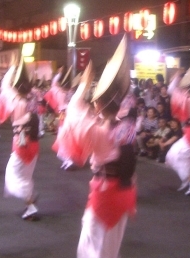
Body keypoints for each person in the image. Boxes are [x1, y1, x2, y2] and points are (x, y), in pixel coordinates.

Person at [56, 35, 137, 258]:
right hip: (123, 191)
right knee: (108, 246)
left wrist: (83, 86)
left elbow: (74, 114)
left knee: (92, 247)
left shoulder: (99, 130)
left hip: (105, 193)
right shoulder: (128, 127)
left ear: (99, 103)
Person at [0, 54, 40, 220]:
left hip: (21, 142)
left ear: (16, 87)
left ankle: (30, 201)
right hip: (34, 142)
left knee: (11, 176)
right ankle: (29, 202)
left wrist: (13, 67)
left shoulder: (16, 100)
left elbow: (4, 85)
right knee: (26, 175)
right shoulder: (33, 99)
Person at [166, 56, 190, 196]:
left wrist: (177, 76)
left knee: (173, 157)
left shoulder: (188, 99)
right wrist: (179, 77)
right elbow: (174, 90)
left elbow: (172, 90)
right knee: (181, 159)